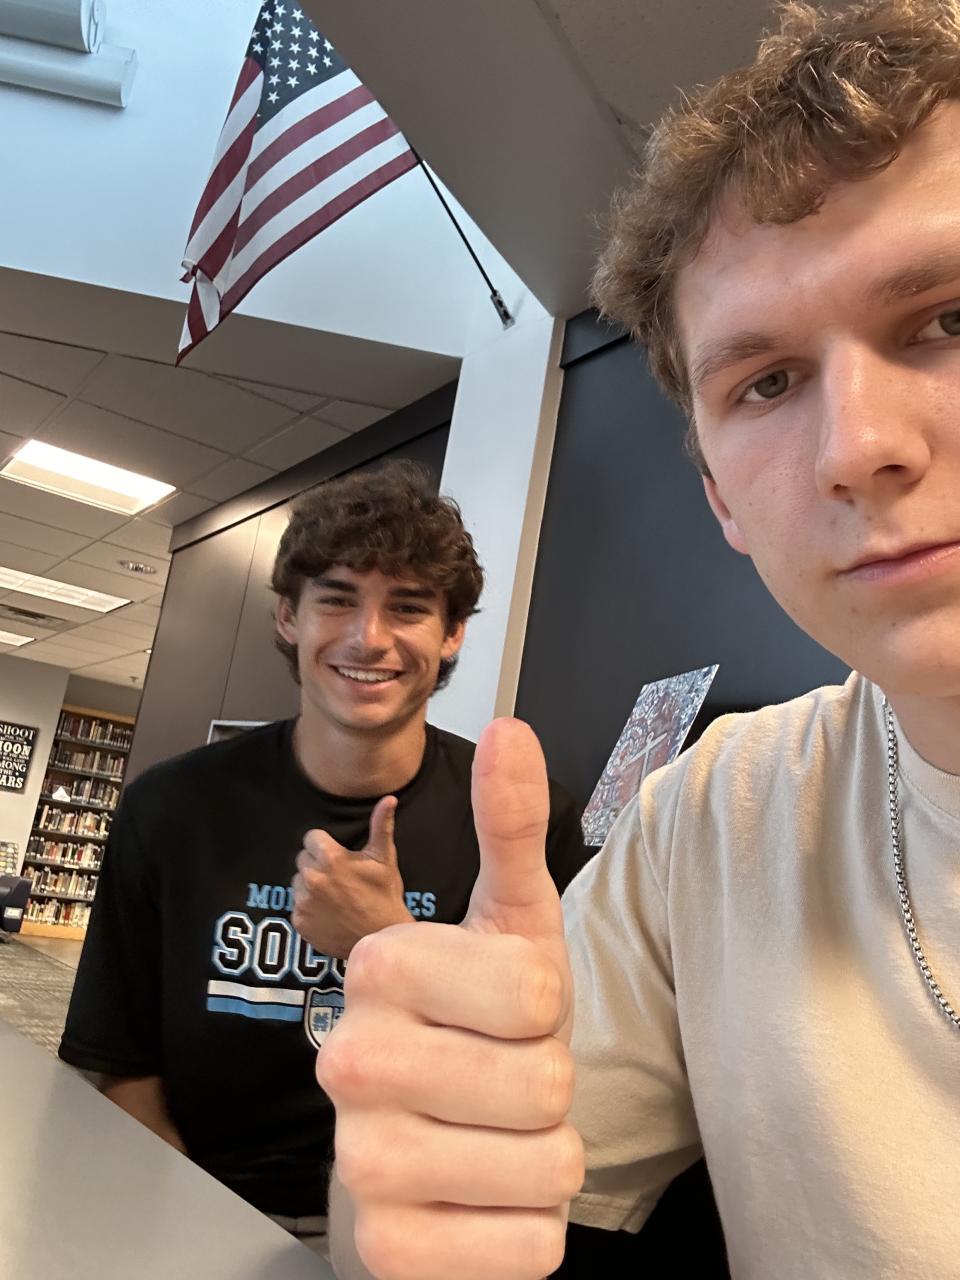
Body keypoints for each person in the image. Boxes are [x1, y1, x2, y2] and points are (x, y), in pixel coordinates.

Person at [322, 3, 960, 1278]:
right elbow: (410, 1234)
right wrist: (420, 1159)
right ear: (719, 498)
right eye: (765, 382)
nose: (856, 446)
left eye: (948, 317)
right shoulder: (715, 816)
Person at [57, 461, 588, 1260]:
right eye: (337, 599)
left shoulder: (518, 824)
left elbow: (537, 1070)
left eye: (407, 607)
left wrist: (386, 941)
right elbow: (119, 1064)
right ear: (288, 617)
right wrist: (190, 1232)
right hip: (193, 1202)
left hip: (424, 1227)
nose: (368, 637)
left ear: (452, 634)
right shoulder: (169, 809)